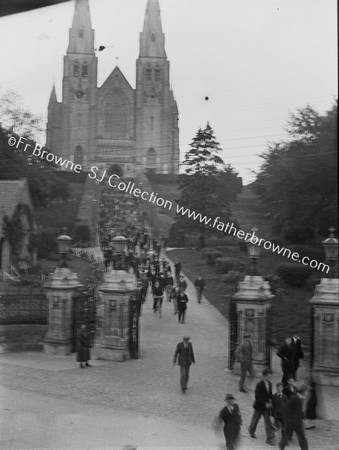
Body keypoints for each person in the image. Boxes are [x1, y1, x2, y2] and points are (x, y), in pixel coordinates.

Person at [248, 368, 275, 445]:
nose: (270, 378)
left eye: (271, 376)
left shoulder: (270, 384)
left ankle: (269, 438)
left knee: (268, 422)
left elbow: (269, 394)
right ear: (264, 376)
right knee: (255, 420)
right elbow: (257, 397)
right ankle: (251, 431)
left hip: (266, 407)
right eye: (269, 376)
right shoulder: (259, 385)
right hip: (259, 407)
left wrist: (270, 401)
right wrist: (265, 404)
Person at [279, 382, 309, 450]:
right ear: (303, 391)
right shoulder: (295, 398)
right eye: (306, 391)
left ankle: (305, 448)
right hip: (291, 421)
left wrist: (303, 418)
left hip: (298, 421)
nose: (307, 393)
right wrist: (288, 419)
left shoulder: (301, 398)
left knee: (302, 436)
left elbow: (299, 410)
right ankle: (281, 445)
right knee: (287, 435)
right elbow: (285, 408)